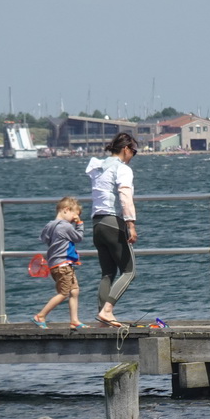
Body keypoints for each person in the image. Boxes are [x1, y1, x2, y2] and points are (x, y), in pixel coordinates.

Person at [86, 132, 139, 328]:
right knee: (129, 271)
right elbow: (125, 197)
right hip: (111, 223)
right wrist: (131, 225)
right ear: (125, 149)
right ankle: (107, 310)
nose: (133, 155)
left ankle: (102, 318)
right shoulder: (122, 169)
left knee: (107, 272)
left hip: (97, 223)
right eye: (133, 151)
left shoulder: (98, 166)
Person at [32, 197, 88, 330]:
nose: (74, 219)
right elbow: (79, 237)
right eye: (74, 215)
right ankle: (40, 316)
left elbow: (43, 238)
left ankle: (74, 320)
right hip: (63, 265)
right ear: (66, 210)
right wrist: (79, 223)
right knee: (64, 293)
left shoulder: (50, 225)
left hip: (56, 265)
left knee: (74, 291)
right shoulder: (65, 226)